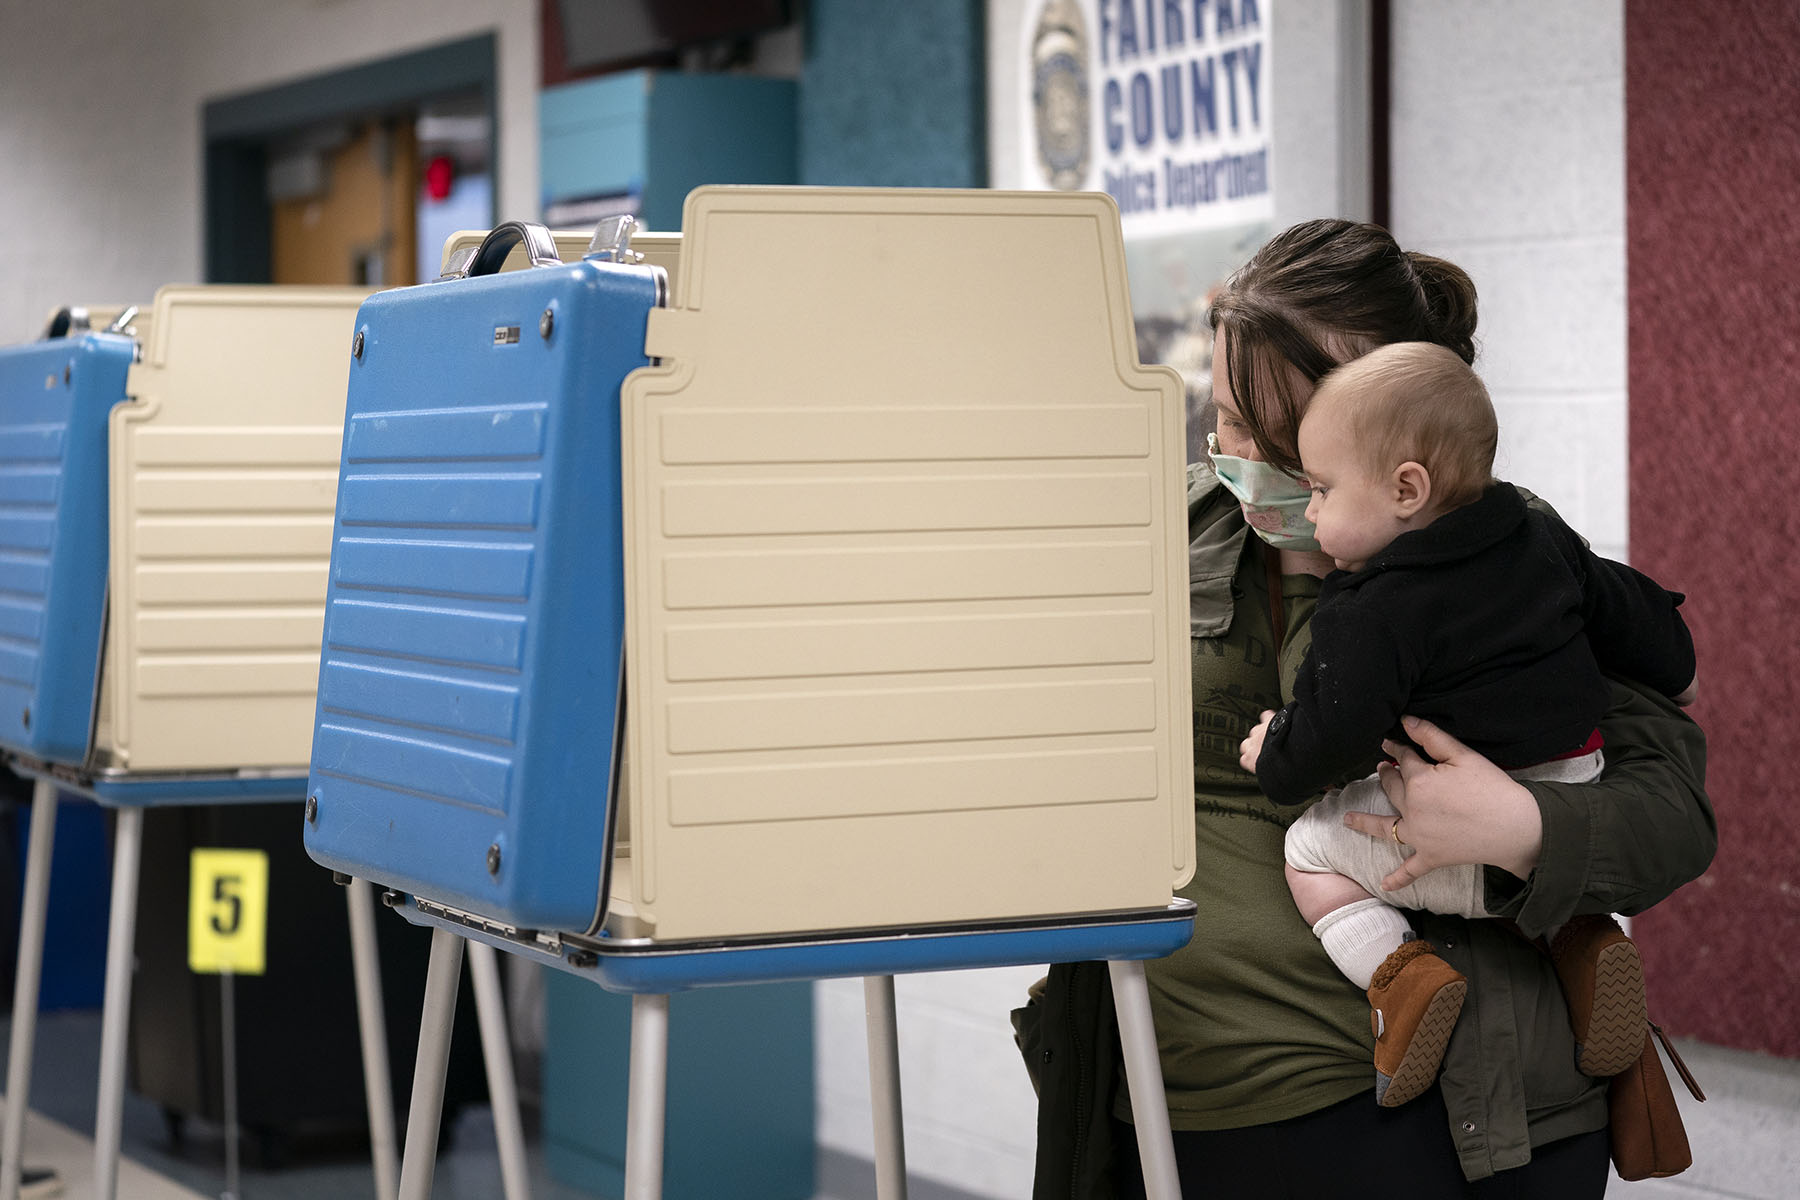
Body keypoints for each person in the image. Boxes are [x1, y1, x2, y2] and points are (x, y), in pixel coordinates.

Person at [1016, 219, 1714, 1199]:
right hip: (1192, 1103)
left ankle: (1562, 951)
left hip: (1465, 1109)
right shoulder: (1159, 540)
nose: (1238, 453)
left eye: (1275, 428)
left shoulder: (1509, 550)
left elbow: (1677, 817)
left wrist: (1528, 828)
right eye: (1224, 417)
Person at [1231, 341, 1696, 1111]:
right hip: (1568, 793)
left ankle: (1402, 980)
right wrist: (1682, 668)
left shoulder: (1369, 608)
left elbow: (1337, 736)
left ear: (1406, 488)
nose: (1309, 510)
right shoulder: (1541, 535)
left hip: (1452, 837)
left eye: (1320, 489)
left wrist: (1274, 751)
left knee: (1310, 851)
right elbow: (1636, 617)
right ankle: (1585, 938)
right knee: (1553, 855)